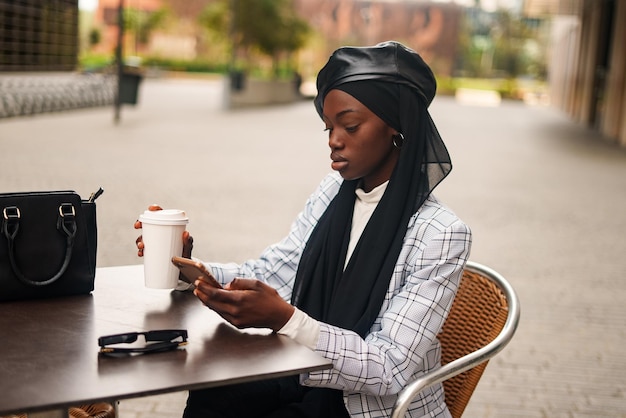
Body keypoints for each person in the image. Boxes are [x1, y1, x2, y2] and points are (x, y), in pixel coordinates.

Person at [135, 41, 471, 418]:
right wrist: (189, 267)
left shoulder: (440, 235)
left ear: (397, 126)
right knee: (215, 395)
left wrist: (286, 319)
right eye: (328, 127)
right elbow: (274, 272)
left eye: (350, 125)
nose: (333, 140)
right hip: (302, 371)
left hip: (369, 406)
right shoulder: (334, 193)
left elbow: (389, 368)